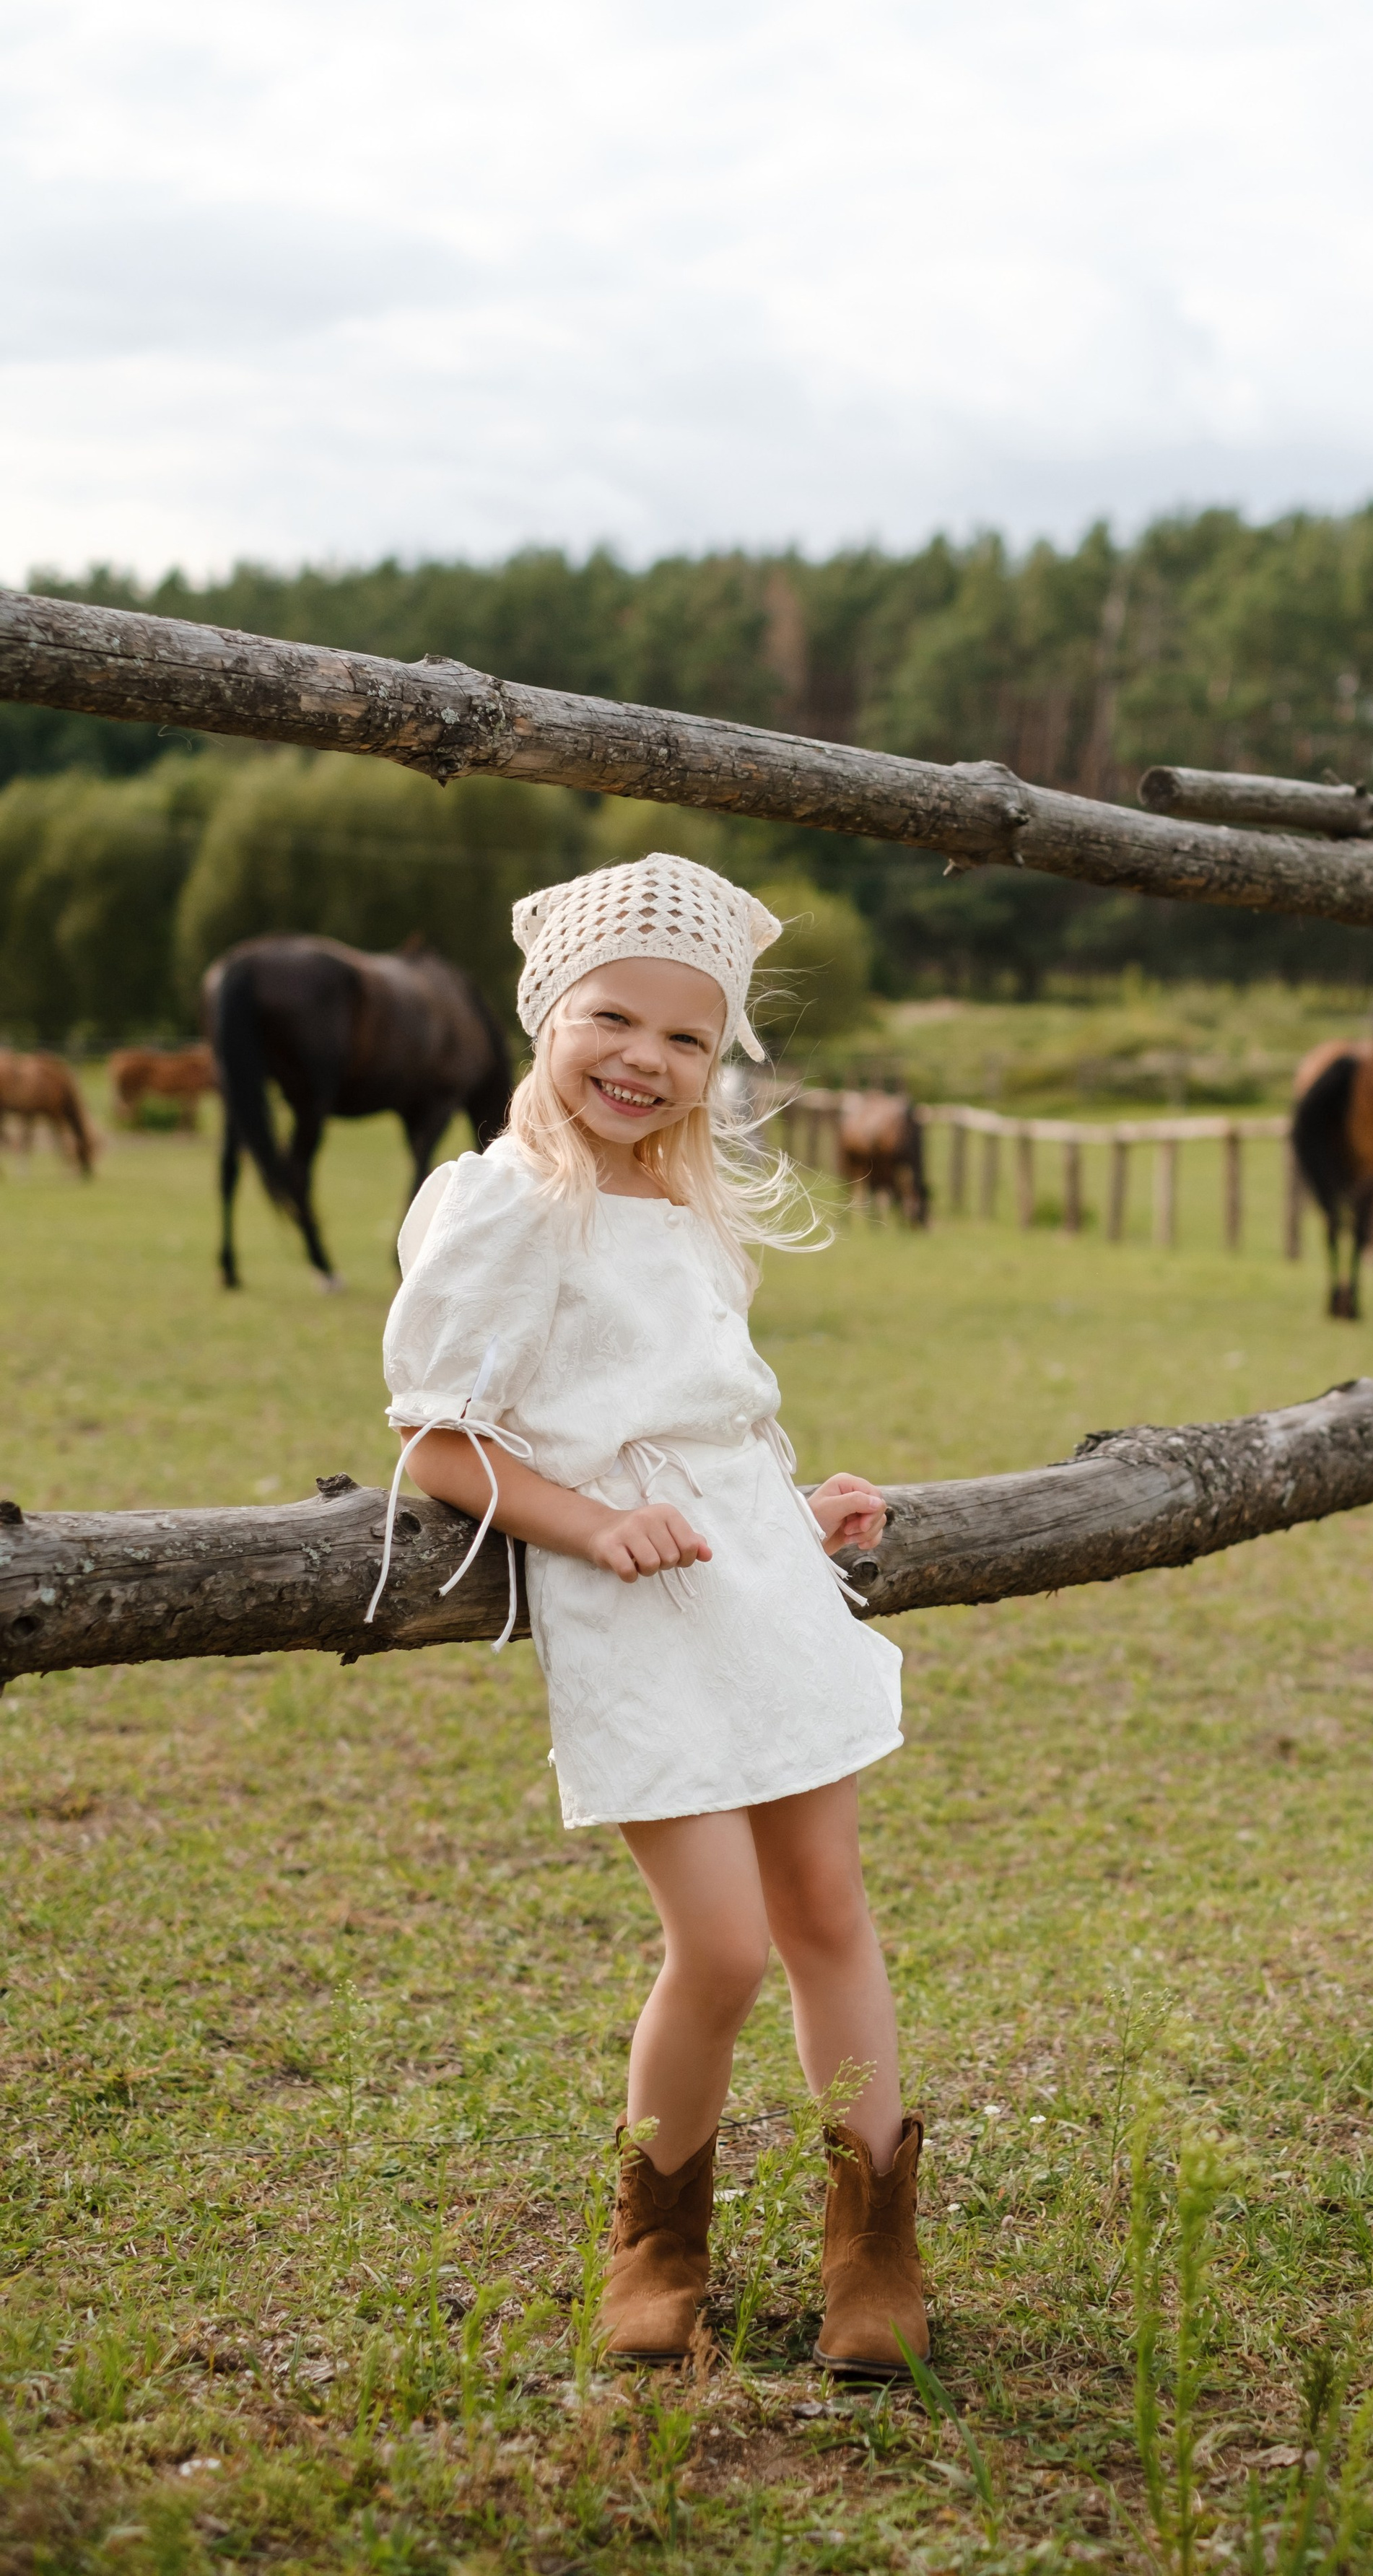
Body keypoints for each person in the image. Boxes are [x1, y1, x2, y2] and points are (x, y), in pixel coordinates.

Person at [370, 853, 925, 2378]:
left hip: (755, 1582)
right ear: (546, 1013)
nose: (645, 1059)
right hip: (631, 1603)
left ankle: (874, 2241)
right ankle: (657, 2238)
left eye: (688, 1037)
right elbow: (438, 1440)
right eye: (612, 1017)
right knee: (724, 1947)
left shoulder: (685, 1206)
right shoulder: (502, 1202)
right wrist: (593, 1522)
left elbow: (697, 1423)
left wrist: (792, 1513)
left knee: (828, 1911)